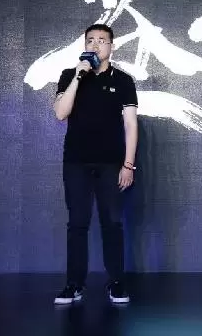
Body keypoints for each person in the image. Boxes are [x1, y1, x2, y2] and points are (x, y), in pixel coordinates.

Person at [52, 23, 138, 305]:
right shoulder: (70, 75)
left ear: (111, 46)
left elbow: (130, 124)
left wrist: (128, 164)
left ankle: (116, 282)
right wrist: (79, 75)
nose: (96, 44)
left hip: (111, 162)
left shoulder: (123, 80)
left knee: (112, 222)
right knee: (77, 223)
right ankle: (74, 284)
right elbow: (61, 113)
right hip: (76, 161)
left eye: (102, 40)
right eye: (91, 40)